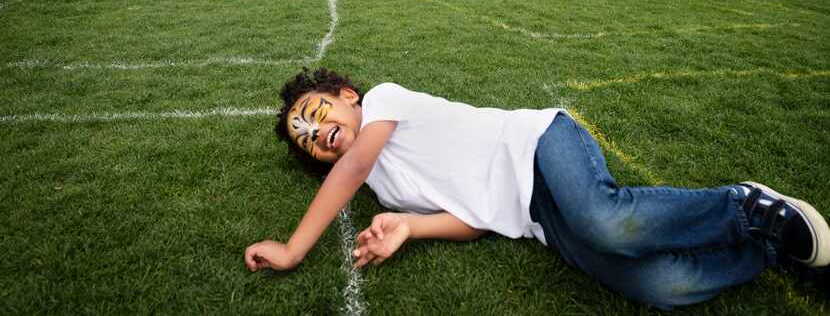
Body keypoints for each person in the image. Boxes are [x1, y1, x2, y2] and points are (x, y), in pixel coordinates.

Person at [244, 68, 830, 310]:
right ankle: (768, 248)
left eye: (316, 112)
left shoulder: (382, 103)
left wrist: (295, 248)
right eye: (307, 139)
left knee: (608, 221)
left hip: (538, 145)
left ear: (347, 94)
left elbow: (348, 173)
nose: (317, 131)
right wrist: (409, 226)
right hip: (535, 217)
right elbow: (474, 218)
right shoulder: (381, 186)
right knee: (660, 287)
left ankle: (745, 205)